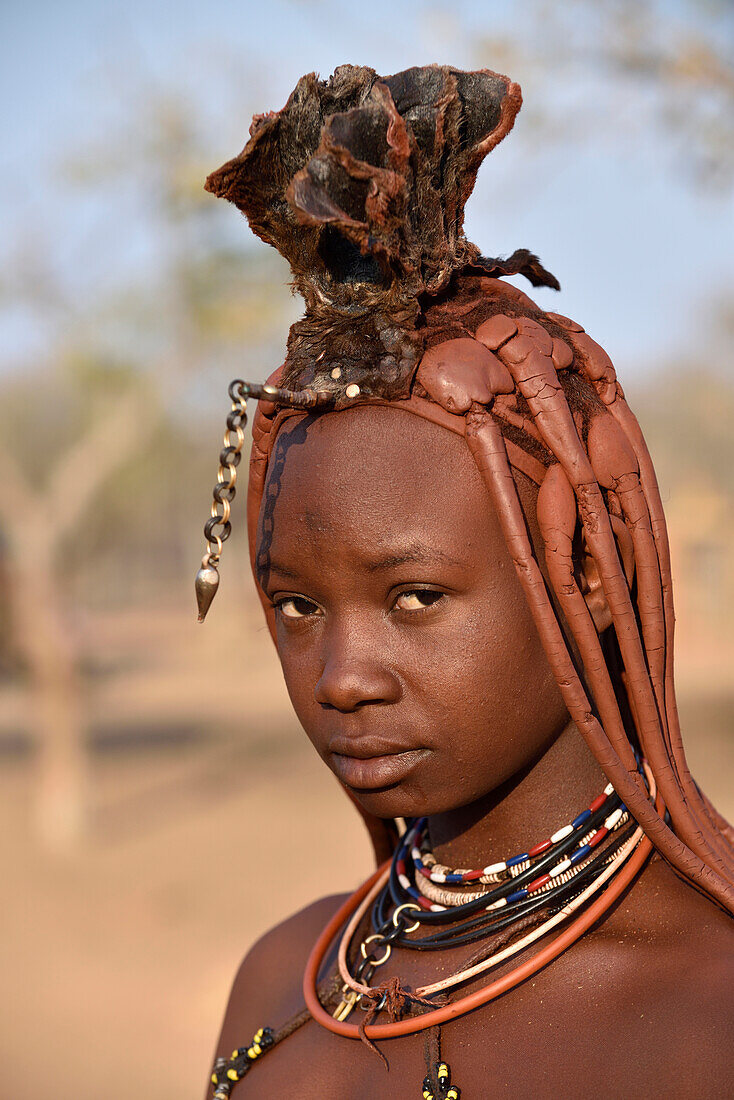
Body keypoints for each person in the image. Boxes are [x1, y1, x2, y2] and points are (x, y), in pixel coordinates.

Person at [197, 65, 733, 1098]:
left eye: (414, 597)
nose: (342, 676)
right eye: (298, 606)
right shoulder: (285, 977)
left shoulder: (706, 1013)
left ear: (581, 566)